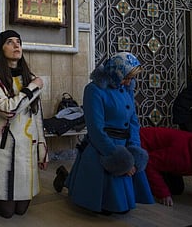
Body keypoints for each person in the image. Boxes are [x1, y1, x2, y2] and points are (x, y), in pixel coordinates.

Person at [54, 52, 154, 214]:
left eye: (131, 78)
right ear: (117, 71)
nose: (128, 82)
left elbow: (133, 123)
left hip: (123, 147)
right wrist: (118, 159)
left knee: (122, 208)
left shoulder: (126, 88)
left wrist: (134, 152)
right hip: (103, 147)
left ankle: (66, 177)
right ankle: (64, 177)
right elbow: (95, 129)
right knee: (102, 205)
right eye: (126, 77)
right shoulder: (94, 90)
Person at [0, 30, 49, 218]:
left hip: (27, 146)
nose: (16, 45)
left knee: (21, 209)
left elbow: (37, 115)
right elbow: (8, 110)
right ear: (0, 49)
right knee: (8, 212)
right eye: (10, 42)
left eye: (18, 41)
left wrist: (42, 146)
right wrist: (33, 87)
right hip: (4, 147)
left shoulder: (29, 78)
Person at [140, 126, 192, 206]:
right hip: (140, 146)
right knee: (172, 189)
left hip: (160, 152)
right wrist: (163, 194)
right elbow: (149, 162)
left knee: (177, 189)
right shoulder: (182, 157)